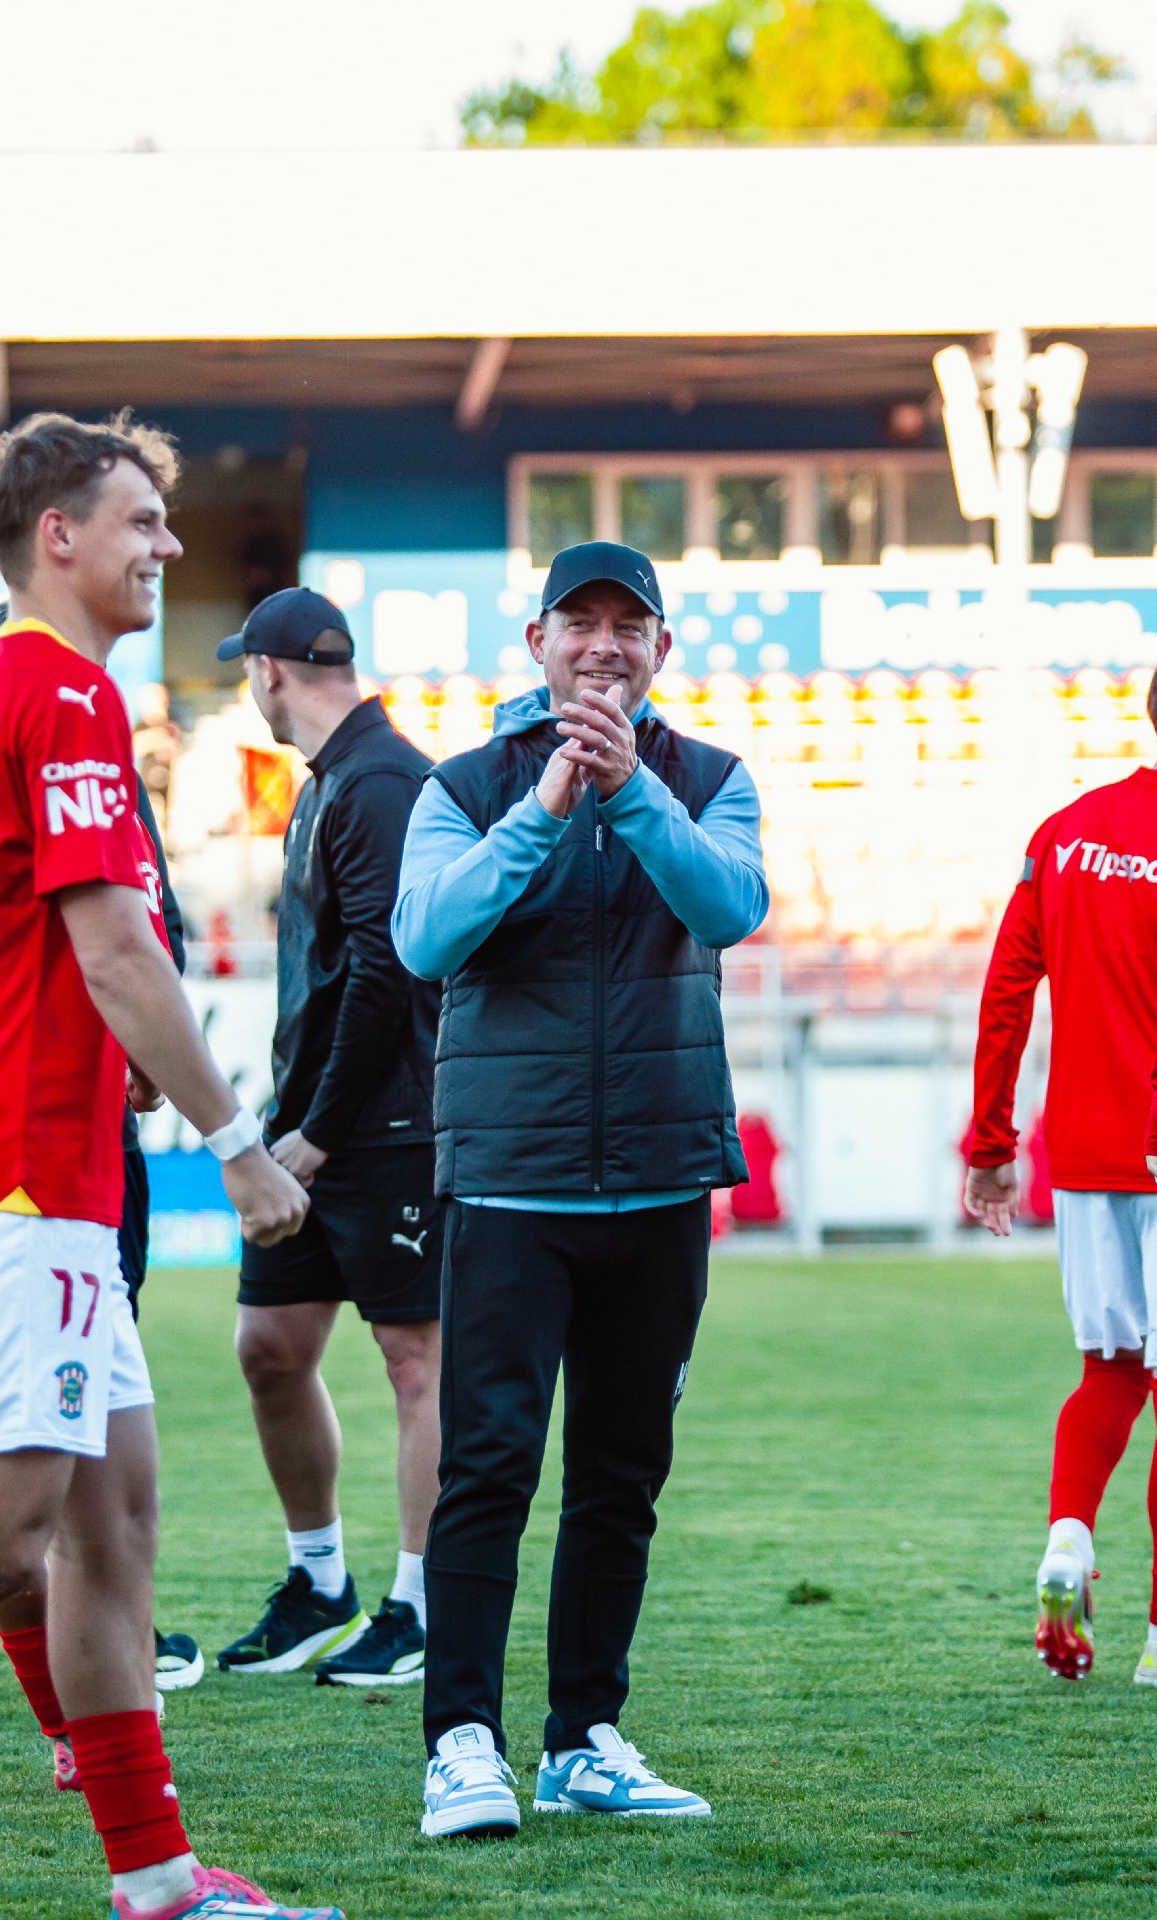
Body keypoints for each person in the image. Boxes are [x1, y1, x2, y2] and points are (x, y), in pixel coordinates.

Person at [0, 411, 339, 1920]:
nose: (170, 546)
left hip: (35, 1174)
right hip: (3, 1175)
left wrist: (127, 1065)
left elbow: (46, 949)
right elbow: (117, 950)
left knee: (111, 1523)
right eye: (142, 520)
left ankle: (156, 1879)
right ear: (55, 533)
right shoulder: (55, 687)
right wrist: (238, 1146)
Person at [392, 540, 769, 1837]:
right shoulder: (462, 785)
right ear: (538, 641)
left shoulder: (709, 778)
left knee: (621, 1474)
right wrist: (548, 804)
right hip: (513, 1181)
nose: (603, 645)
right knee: (487, 1469)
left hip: (660, 1179)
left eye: (628, 625)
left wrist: (631, 797)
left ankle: (582, 1739)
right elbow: (425, 936)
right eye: (579, 622)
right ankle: (460, 1743)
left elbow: (729, 908)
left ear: (661, 648)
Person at [214, 590, 441, 1688]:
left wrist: (316, 1131)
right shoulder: (332, 779)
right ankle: (320, 1584)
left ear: (268, 671)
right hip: (311, 1123)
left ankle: (423, 1605)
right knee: (269, 1345)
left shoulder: (382, 779)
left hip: (385, 1128)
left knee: (415, 1358)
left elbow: (389, 974)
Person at [966, 681, 1157, 1687]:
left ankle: (1069, 1537)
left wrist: (990, 1141)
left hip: (1086, 1153)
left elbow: (1006, 990)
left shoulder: (1065, 834)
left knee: (1111, 1369)